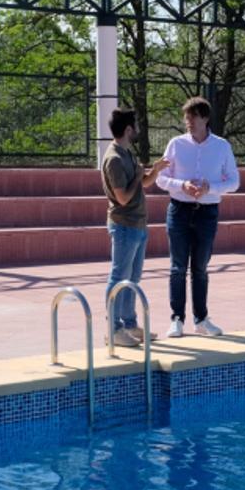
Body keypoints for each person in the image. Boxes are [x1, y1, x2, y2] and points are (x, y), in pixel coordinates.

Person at [156, 96, 240, 337]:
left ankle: (201, 319)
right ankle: (176, 319)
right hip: (179, 210)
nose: (187, 122)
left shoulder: (222, 146)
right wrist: (182, 185)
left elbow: (234, 181)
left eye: (192, 117)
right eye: (186, 117)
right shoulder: (175, 144)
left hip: (207, 212)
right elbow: (161, 178)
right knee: (177, 267)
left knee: (200, 268)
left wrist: (209, 188)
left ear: (204, 118)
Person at [102, 108, 169, 347]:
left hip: (138, 225)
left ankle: (129, 324)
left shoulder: (127, 153)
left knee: (133, 278)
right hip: (124, 225)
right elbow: (122, 197)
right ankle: (114, 329)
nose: (138, 129)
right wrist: (138, 175)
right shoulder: (114, 159)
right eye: (136, 125)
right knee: (119, 276)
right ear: (128, 129)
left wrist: (154, 171)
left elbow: (143, 183)